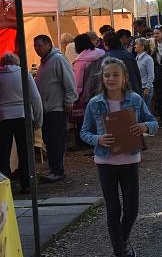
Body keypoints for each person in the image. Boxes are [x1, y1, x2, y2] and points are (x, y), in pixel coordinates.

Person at [80, 58, 157, 257]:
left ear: (124, 78)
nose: (111, 79)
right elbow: (84, 132)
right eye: (107, 75)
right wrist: (98, 139)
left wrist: (144, 127)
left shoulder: (134, 99)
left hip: (130, 160)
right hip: (105, 162)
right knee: (113, 209)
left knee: (132, 208)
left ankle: (122, 243)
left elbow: (153, 123)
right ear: (102, 79)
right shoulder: (95, 103)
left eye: (115, 75)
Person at [33, 35, 77, 183]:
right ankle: (54, 169)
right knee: (49, 139)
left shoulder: (57, 59)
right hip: (48, 108)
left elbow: (70, 81)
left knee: (55, 140)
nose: (36, 49)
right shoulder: (46, 62)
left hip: (56, 107)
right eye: (35, 46)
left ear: (48, 44)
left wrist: (69, 100)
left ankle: (57, 170)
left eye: (39, 45)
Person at [0, 52, 43, 193]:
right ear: (16, 62)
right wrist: (38, 119)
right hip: (23, 115)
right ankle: (27, 183)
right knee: (25, 151)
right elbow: (35, 98)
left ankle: (6, 184)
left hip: (3, 117)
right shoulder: (24, 74)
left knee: (3, 153)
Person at [71, 33, 107, 148]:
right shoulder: (102, 54)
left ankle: (87, 142)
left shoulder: (81, 61)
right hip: (103, 90)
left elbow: (78, 83)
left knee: (86, 119)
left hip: (87, 94)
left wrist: (75, 97)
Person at [103, 31, 143, 96]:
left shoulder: (105, 59)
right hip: (132, 93)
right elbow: (137, 76)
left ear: (106, 43)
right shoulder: (129, 55)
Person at [134, 38, 155, 108]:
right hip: (139, 87)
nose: (135, 46)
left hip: (145, 88)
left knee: (145, 109)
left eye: (136, 44)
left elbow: (151, 75)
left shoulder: (148, 59)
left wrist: (147, 88)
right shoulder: (137, 58)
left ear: (142, 46)